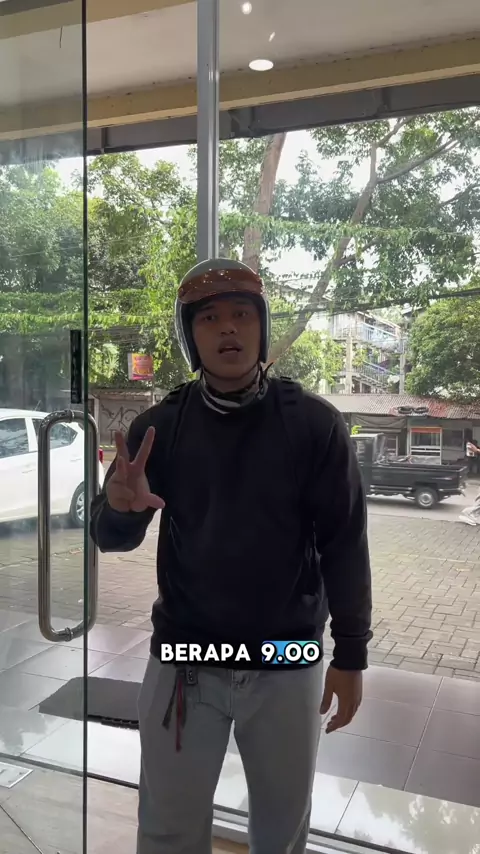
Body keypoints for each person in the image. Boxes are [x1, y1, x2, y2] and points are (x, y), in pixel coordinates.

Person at [90, 258, 373, 854]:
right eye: (209, 318)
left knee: (281, 831)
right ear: (190, 336)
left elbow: (345, 543)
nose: (227, 329)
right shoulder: (159, 427)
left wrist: (351, 653)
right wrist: (119, 508)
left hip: (287, 655)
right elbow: (112, 538)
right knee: (166, 828)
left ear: (262, 328)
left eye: (242, 315)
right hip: (185, 656)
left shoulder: (313, 425)